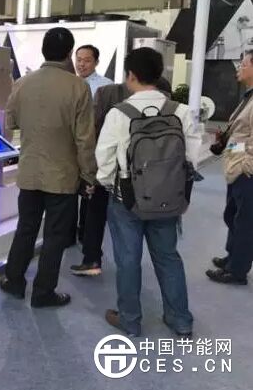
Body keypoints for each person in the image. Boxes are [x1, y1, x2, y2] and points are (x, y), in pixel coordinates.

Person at [96, 47, 201, 336]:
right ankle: (180, 320)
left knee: (128, 260)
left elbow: (104, 158)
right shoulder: (181, 112)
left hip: (126, 200)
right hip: (168, 198)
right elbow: (192, 158)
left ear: (130, 75)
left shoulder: (119, 113)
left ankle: (130, 320)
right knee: (168, 256)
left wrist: (108, 184)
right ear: (159, 74)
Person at [0, 27, 97, 308]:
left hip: (29, 172)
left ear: (44, 50)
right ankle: (43, 293)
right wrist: (89, 175)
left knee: (25, 228)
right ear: (69, 53)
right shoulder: (78, 87)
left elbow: (10, 123)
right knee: (55, 236)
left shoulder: (22, 83)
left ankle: (14, 281)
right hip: (63, 177)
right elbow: (85, 139)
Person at [71, 82, 130, 276]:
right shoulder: (160, 98)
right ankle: (128, 269)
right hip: (136, 174)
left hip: (105, 171)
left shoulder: (105, 94)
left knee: (95, 216)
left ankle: (92, 260)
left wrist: (91, 175)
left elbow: (93, 135)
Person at [206, 50, 253, 286]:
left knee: (245, 222)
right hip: (236, 168)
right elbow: (241, 134)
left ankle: (237, 271)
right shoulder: (248, 97)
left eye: (243, 64)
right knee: (233, 215)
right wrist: (227, 146)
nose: (239, 69)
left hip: (247, 171)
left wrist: (245, 165)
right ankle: (232, 257)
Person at [73, 45, 114, 245]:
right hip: (70, 148)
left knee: (90, 193)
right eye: (79, 59)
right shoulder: (69, 84)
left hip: (94, 148)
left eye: (87, 60)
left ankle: (85, 234)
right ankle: (69, 233)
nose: (81, 64)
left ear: (96, 62)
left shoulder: (106, 87)